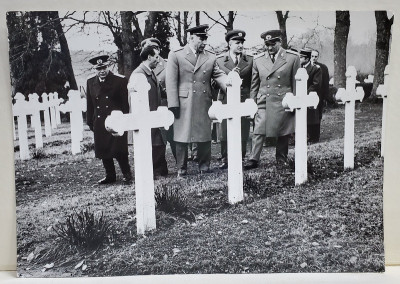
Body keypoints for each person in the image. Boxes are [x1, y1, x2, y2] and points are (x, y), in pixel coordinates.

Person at [166, 24, 228, 177]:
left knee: (204, 135)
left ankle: (204, 166)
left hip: (203, 100)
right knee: (181, 135)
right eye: (201, 38)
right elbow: (171, 81)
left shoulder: (210, 56)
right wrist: (173, 104)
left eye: (205, 39)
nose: (204, 42)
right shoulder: (176, 55)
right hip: (183, 102)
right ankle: (181, 168)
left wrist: (230, 84)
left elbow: (218, 74)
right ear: (191, 38)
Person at [244, 30, 300, 169]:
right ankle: (253, 159)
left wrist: (295, 102)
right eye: (267, 44)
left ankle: (281, 158)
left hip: (283, 100)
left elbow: (296, 82)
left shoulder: (292, 58)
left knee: (283, 131)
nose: (269, 48)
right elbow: (254, 84)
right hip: (264, 99)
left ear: (280, 42)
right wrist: (252, 103)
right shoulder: (258, 60)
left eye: (272, 44)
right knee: (258, 129)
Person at [86, 55, 132, 184]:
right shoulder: (90, 82)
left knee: (120, 150)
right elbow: (90, 104)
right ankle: (110, 175)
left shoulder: (120, 81)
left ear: (108, 66)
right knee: (104, 150)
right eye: (98, 68)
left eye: (104, 67)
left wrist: (124, 121)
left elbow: (125, 104)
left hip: (116, 120)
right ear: (95, 69)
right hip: (100, 122)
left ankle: (127, 174)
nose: (102, 70)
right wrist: (90, 121)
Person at [215, 29, 253, 169]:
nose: (241, 45)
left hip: (243, 99)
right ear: (230, 44)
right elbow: (214, 82)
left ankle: (241, 157)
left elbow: (252, 82)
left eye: (242, 42)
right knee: (225, 130)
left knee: (243, 129)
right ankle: (225, 158)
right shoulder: (219, 61)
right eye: (237, 42)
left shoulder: (250, 60)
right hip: (226, 99)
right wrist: (229, 77)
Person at [130, 45, 168, 177]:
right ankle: (152, 172)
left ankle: (158, 170)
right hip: (146, 117)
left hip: (154, 116)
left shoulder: (150, 72)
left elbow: (160, 91)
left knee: (158, 143)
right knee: (151, 144)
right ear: (149, 57)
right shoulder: (138, 74)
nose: (159, 60)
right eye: (156, 56)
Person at [140, 38, 177, 160]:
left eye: (154, 48)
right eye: (147, 48)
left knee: (172, 137)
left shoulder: (169, 64)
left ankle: (179, 161)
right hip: (151, 107)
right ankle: (160, 166)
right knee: (155, 139)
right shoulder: (143, 67)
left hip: (166, 106)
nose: (151, 50)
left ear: (159, 49)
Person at [299, 48, 322, 143]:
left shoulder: (315, 69)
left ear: (307, 59)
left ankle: (313, 138)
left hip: (310, 97)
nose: (299, 59)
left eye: (301, 57)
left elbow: (316, 84)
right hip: (300, 97)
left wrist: (305, 93)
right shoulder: (299, 68)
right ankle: (302, 137)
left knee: (312, 119)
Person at [310, 49, 330, 142]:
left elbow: (325, 83)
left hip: (319, 96)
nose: (313, 58)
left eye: (315, 56)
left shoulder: (323, 67)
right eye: (312, 56)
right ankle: (308, 135)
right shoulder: (304, 66)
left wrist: (325, 97)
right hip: (308, 95)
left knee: (317, 116)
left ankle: (315, 137)